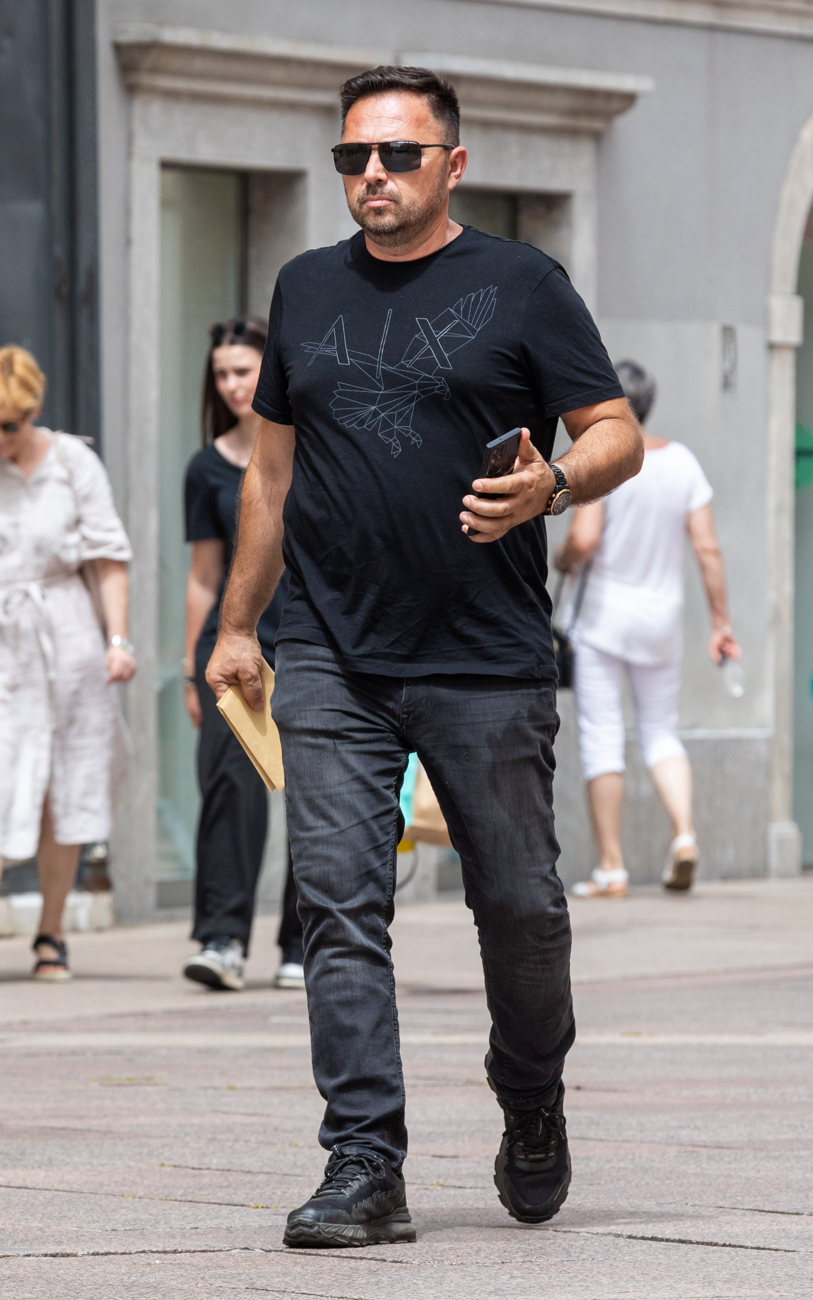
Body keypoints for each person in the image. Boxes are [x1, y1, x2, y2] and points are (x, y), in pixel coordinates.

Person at [206, 65, 643, 1248]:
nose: (373, 175)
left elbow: (617, 434)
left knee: (521, 907)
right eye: (353, 156)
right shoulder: (304, 288)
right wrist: (239, 626)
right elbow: (271, 477)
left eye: (397, 154)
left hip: (485, 656)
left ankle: (532, 1096)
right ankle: (364, 1161)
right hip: (331, 653)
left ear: (452, 164)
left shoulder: (523, 284)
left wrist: (554, 484)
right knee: (338, 906)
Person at [558, 360, 741, 898]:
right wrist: (721, 623)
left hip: (604, 620)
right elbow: (707, 549)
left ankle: (612, 868)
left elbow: (585, 539)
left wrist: (561, 559)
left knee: (602, 736)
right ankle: (683, 835)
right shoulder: (683, 462)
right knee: (661, 732)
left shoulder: (605, 458)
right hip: (661, 620)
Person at [0, 345, 135, 980]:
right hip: (5, 643)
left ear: (34, 411)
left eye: (9, 425)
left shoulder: (72, 461)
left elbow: (109, 558)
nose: (0, 438)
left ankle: (50, 933)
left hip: (66, 635)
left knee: (66, 788)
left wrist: (118, 641)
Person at [180, 318, 303, 993]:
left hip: (309, 638)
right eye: (222, 373)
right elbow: (203, 576)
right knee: (230, 790)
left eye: (243, 370)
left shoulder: (309, 452)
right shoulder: (205, 467)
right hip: (231, 645)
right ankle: (222, 940)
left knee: (316, 792)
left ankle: (301, 946)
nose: (232, 384)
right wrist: (188, 668)